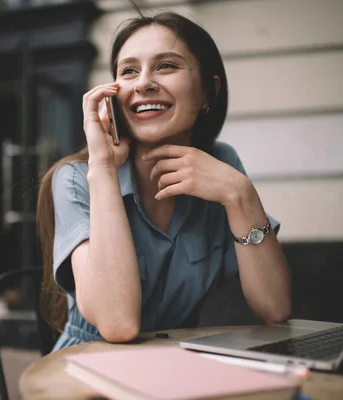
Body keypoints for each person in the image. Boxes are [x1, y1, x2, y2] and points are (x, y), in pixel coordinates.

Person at [36, 8, 291, 352]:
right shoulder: (76, 180)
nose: (143, 83)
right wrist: (104, 169)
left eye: (166, 65)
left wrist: (239, 193)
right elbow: (118, 323)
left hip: (178, 363)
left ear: (207, 92)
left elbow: (275, 309)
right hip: (89, 368)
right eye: (129, 71)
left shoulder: (223, 164)